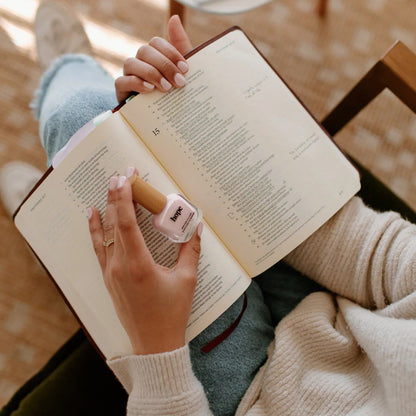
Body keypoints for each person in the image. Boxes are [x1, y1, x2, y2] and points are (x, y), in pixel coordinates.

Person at [2, 2, 416, 415]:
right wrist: (192, 130)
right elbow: (388, 260)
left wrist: (157, 347)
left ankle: (54, 183)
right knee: (111, 126)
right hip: (348, 315)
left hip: (247, 400)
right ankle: (55, 186)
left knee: (74, 120)